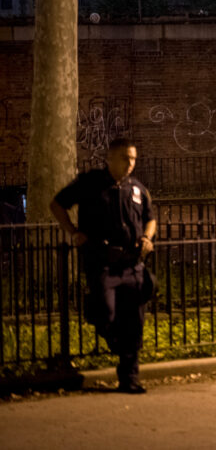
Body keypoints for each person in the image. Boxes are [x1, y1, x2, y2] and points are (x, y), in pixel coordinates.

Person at [50, 137, 157, 394]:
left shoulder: (137, 188)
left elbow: (151, 219)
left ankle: (129, 379)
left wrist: (147, 238)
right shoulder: (90, 183)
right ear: (110, 158)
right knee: (105, 314)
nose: (130, 163)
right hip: (102, 262)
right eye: (125, 158)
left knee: (135, 322)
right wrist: (73, 232)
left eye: (133, 158)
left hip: (132, 264)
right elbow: (57, 204)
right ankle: (117, 343)